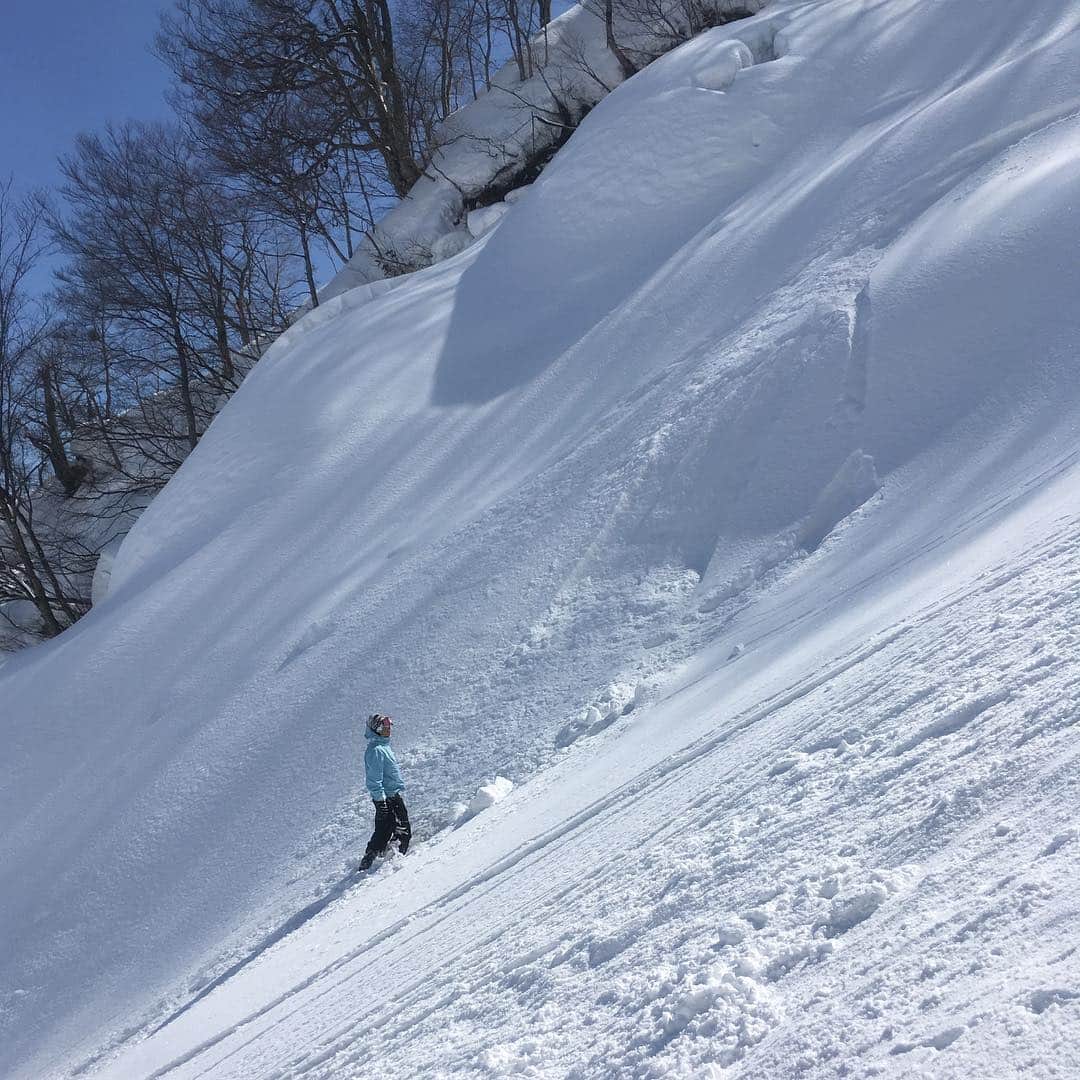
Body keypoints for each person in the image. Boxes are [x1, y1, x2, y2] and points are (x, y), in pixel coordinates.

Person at [359, 713, 411, 871]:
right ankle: (392, 864)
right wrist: (381, 802)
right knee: (400, 830)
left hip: (390, 794)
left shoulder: (382, 746)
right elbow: (374, 779)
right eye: (383, 727)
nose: (388, 730)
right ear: (376, 729)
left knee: (386, 828)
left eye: (389, 726)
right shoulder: (376, 750)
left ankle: (375, 858)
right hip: (386, 797)